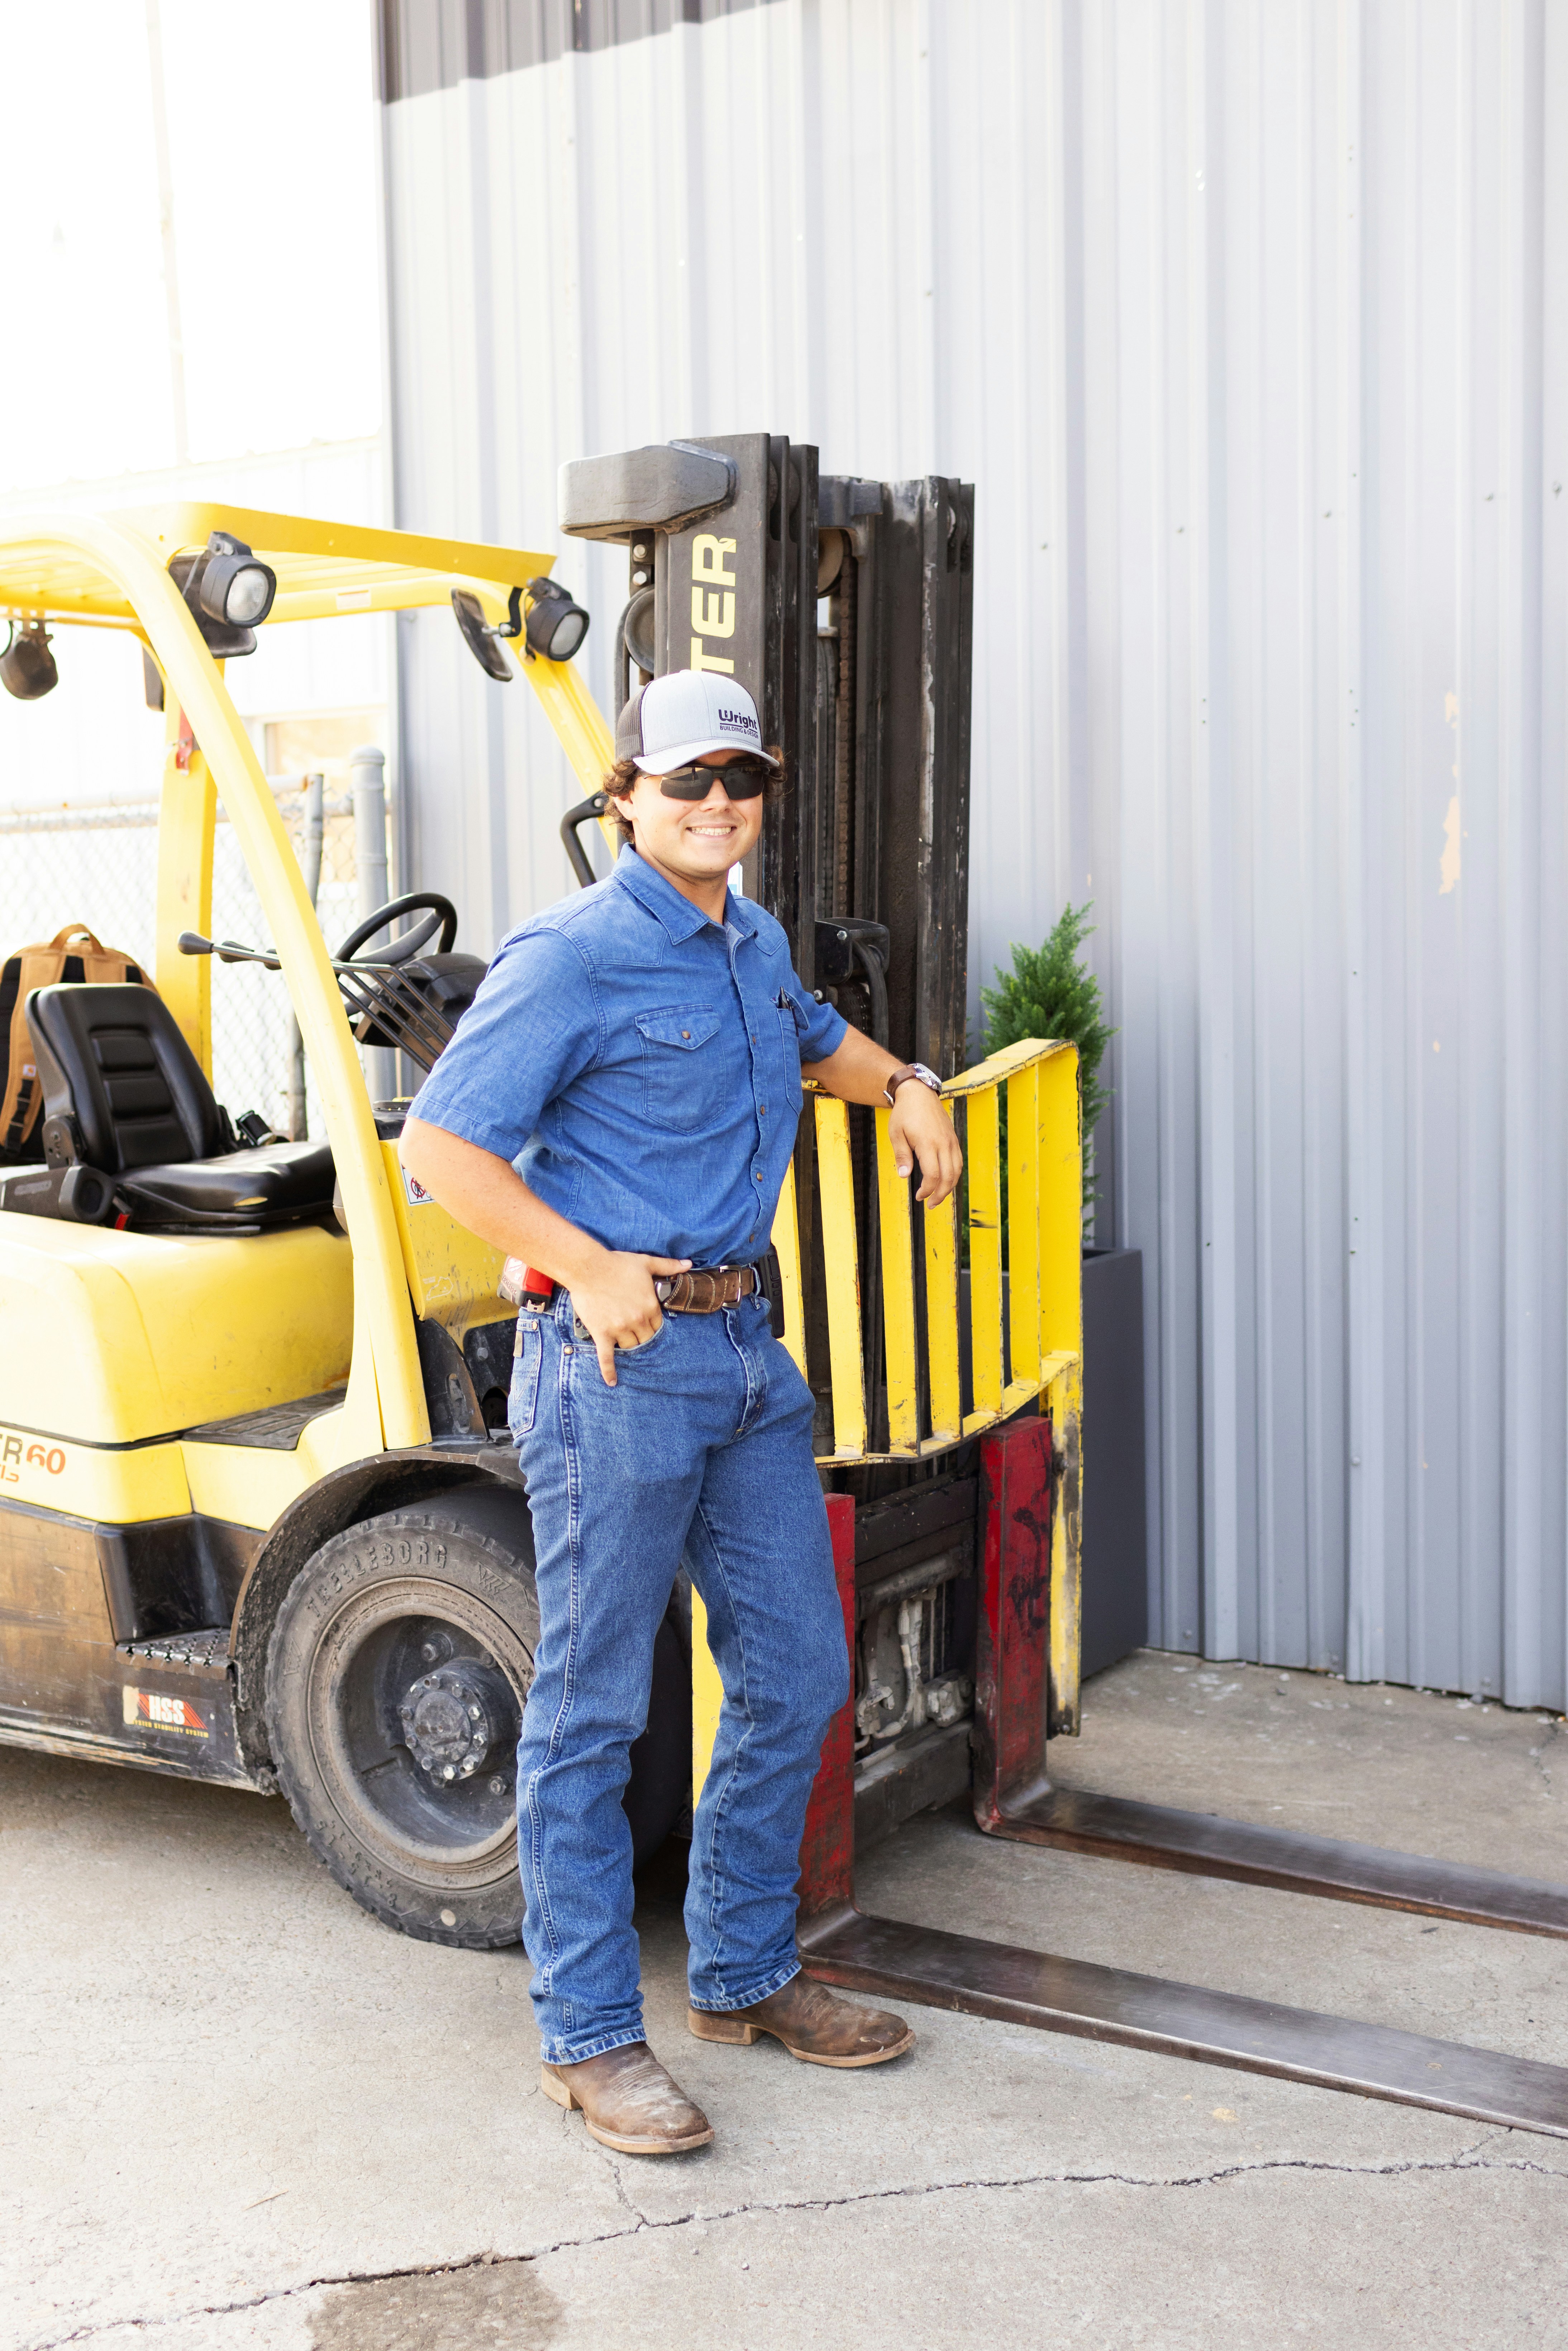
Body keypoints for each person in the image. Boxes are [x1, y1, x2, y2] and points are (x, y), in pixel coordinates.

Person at [399, 670, 962, 2156]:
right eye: (688, 778)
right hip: (617, 1367)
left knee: (796, 1667)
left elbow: (806, 1037)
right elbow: (440, 1146)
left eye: (742, 777)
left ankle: (739, 1972)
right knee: (591, 1709)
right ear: (624, 796)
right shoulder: (572, 953)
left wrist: (903, 1080)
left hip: (745, 1359)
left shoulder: (749, 938)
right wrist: (584, 1267)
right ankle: (588, 2038)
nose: (720, 801)